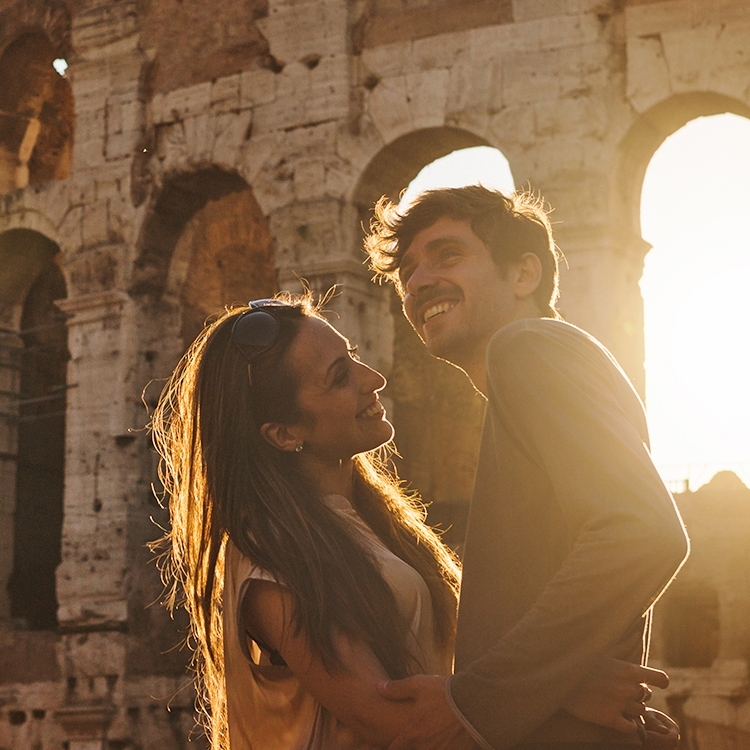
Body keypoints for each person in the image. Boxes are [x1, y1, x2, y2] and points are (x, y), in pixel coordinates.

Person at [150, 293, 672, 750]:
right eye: (339, 377)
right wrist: (563, 697)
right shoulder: (268, 557)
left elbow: (451, 681)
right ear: (284, 434)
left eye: (350, 356)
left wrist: (554, 684)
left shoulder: (380, 524)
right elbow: (396, 723)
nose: (372, 378)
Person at [364, 186, 690, 750]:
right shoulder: (546, 365)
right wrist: (560, 683)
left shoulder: (528, 345)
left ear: (523, 275)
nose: (417, 283)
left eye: (447, 256)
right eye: (407, 273)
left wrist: (476, 699)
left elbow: (642, 530)